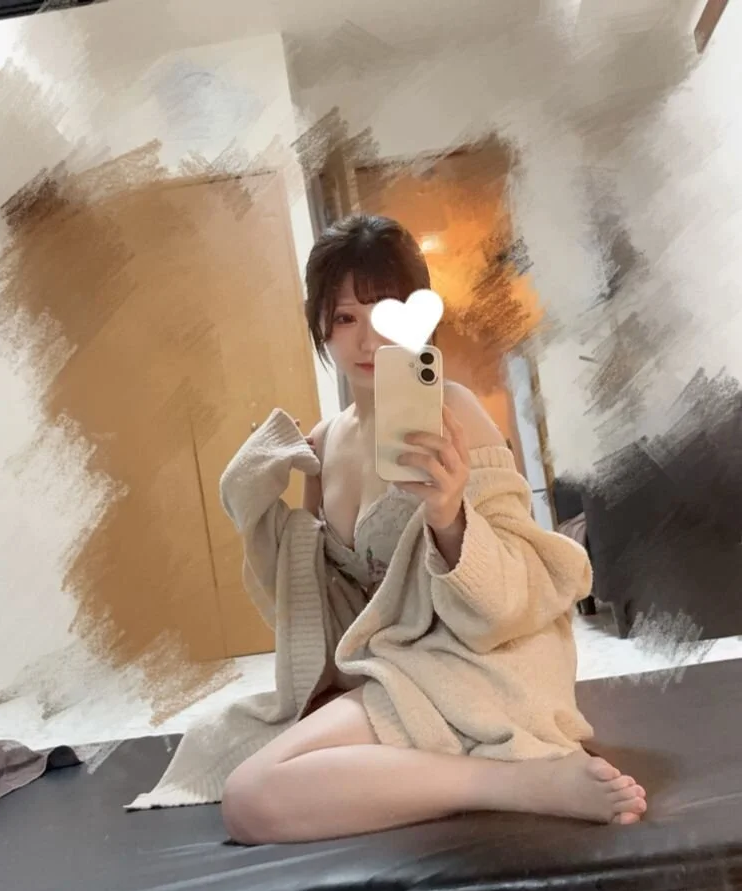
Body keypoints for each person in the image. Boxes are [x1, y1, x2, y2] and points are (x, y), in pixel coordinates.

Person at [220, 214, 647, 845]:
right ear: (321, 328)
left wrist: (449, 518)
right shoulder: (322, 445)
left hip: (485, 660)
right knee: (251, 796)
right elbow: (329, 606)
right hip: (401, 670)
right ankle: (489, 776)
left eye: (386, 311)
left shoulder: (454, 411)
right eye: (345, 318)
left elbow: (513, 596)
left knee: (251, 797)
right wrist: (257, 499)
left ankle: (527, 785)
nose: (368, 340)